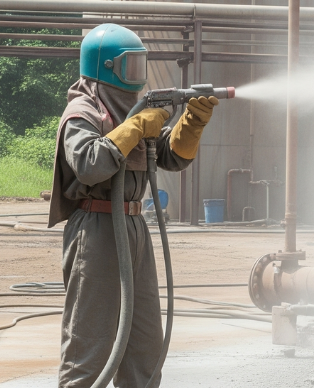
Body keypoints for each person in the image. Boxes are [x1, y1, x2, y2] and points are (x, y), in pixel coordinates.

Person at [48, 23, 219, 387]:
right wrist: (136, 126)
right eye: (131, 68)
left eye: (141, 67)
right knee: (89, 345)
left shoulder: (133, 113)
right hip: (96, 231)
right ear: (106, 69)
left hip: (133, 227)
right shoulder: (83, 112)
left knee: (144, 345)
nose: (137, 78)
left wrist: (191, 124)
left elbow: (170, 158)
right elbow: (90, 164)